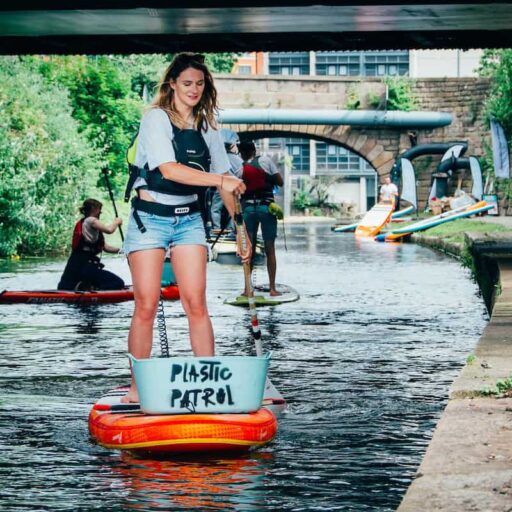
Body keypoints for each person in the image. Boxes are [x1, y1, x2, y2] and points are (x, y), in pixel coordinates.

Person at [122, 53, 250, 403]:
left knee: (196, 304)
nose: (194, 89)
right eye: (187, 83)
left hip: (189, 221)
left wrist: (241, 230)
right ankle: (137, 389)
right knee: (146, 304)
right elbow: (169, 170)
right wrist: (221, 178)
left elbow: (226, 186)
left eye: (200, 83)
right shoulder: (156, 119)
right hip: (149, 220)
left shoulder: (209, 128)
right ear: (173, 85)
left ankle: (208, 385)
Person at [238, 141, 284, 297]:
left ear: (241, 153)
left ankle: (247, 289)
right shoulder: (265, 161)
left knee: (248, 251)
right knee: (270, 249)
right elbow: (280, 182)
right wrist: (268, 178)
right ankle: (272, 288)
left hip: (248, 210)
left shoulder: (239, 167)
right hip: (266, 208)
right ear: (254, 150)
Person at [58, 198, 124, 291]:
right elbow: (109, 230)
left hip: (76, 263)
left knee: (65, 287)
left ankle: (85, 286)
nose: (100, 212)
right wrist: (116, 222)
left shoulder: (88, 225)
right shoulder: (91, 220)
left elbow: (105, 247)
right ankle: (86, 287)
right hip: (84, 264)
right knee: (118, 283)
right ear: (93, 208)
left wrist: (122, 250)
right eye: (99, 209)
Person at [209, 128, 244, 232]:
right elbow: (241, 173)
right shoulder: (236, 159)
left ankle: (216, 228)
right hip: (233, 187)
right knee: (233, 209)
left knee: (215, 209)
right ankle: (230, 228)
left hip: (220, 186)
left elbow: (211, 173)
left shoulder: (216, 158)